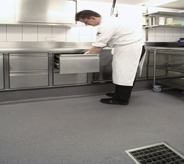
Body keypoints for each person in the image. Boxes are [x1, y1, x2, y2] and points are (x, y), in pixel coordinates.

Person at [75, 10, 144, 105]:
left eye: (86, 22)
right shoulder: (109, 21)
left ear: (93, 18)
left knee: (124, 72)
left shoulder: (106, 26)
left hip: (129, 48)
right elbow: (104, 43)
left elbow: (98, 46)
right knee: (121, 72)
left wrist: (85, 59)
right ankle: (119, 94)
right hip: (127, 47)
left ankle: (121, 99)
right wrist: (89, 53)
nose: (86, 25)